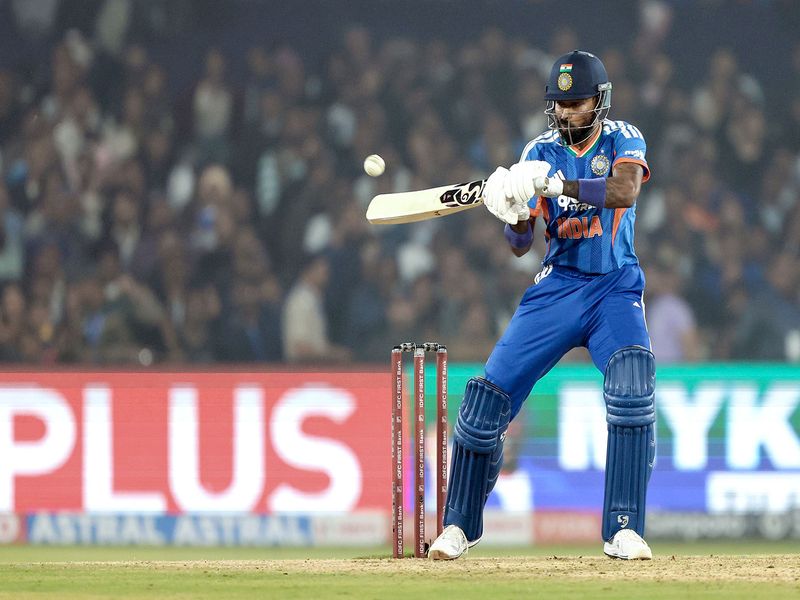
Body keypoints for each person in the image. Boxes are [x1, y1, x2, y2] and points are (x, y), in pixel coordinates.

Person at [429, 51, 655, 561]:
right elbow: (519, 245)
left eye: (578, 103)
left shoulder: (623, 137)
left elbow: (625, 191)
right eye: (561, 104)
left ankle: (623, 529)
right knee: (484, 402)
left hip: (614, 286)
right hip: (557, 288)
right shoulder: (537, 151)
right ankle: (458, 526)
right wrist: (513, 214)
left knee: (632, 386)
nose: (568, 113)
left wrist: (559, 185)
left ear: (599, 101)